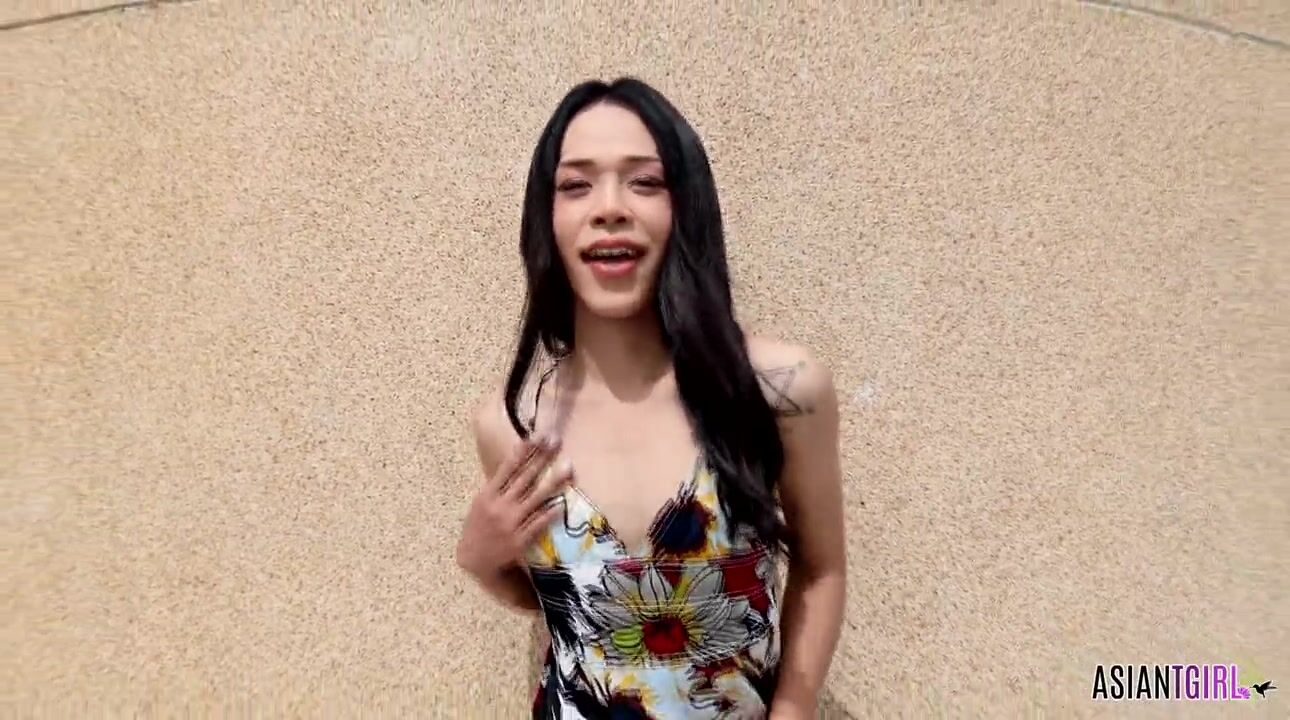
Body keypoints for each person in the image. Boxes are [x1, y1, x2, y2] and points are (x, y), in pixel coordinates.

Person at [456, 76, 847, 719]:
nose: (609, 207)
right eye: (576, 185)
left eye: (644, 181)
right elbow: (565, 600)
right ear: (546, 219)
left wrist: (797, 704)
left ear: (685, 207)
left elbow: (822, 567)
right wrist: (481, 564)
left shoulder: (779, 390)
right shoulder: (511, 424)